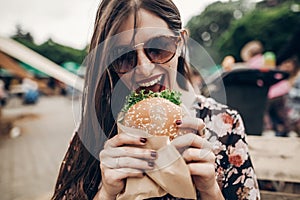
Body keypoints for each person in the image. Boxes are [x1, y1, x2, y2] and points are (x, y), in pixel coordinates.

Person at [52, 0, 260, 199]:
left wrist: (209, 190)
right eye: (124, 56)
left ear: (180, 42)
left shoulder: (225, 124)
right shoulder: (93, 125)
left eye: (158, 48)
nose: (144, 68)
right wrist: (107, 192)